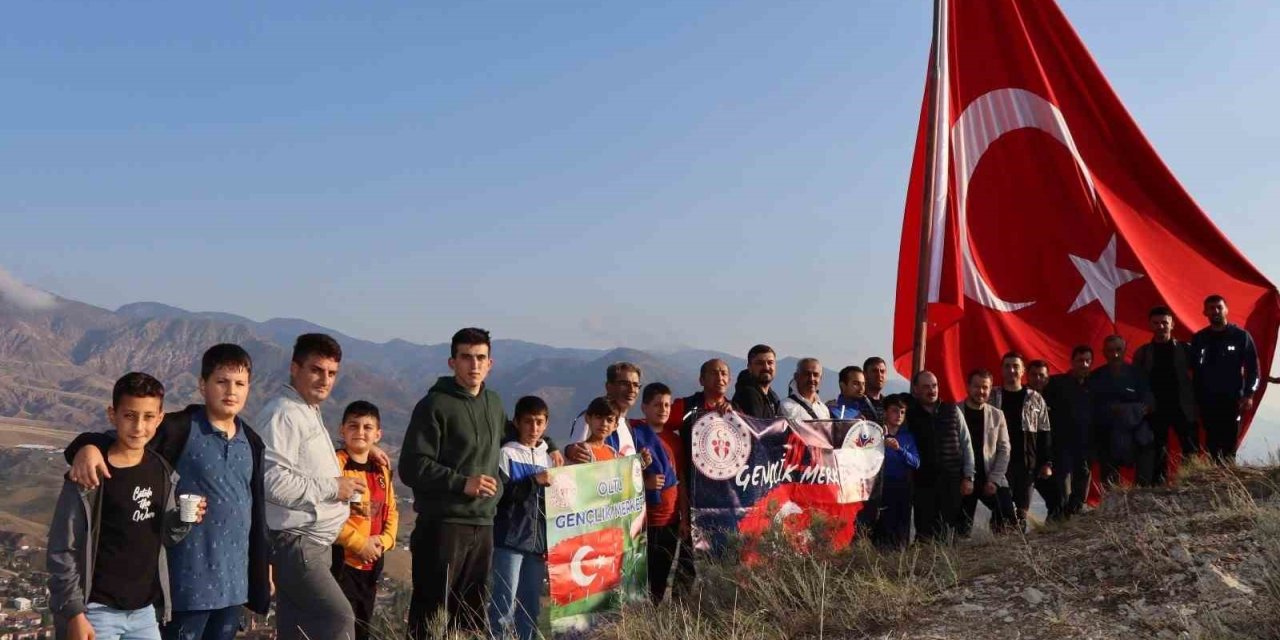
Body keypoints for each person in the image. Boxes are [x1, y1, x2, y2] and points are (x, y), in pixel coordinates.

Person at [64, 344, 272, 640]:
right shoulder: (180, 428)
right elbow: (128, 440)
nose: (231, 391)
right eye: (221, 381)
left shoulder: (251, 442)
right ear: (203, 385)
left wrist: (264, 565)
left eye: (240, 384)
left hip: (234, 587)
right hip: (185, 584)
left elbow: (256, 511)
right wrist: (86, 446)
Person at [48, 372, 204, 640]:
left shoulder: (162, 472)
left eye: (148, 417)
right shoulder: (89, 476)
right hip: (95, 611)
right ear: (113, 415)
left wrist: (184, 520)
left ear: (160, 418)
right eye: (129, 416)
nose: (139, 427)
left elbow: (165, 536)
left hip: (144, 612)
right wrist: (74, 613)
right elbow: (63, 547)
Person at [400, 328, 506, 638]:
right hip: (443, 525)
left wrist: (554, 446)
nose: (474, 365)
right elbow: (411, 466)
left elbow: (512, 439)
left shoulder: (495, 404)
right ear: (452, 362)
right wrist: (462, 483)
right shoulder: (434, 405)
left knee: (471, 616)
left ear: (490, 363)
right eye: (466, 358)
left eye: (480, 358)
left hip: (483, 524)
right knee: (430, 616)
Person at [257, 334, 360, 640]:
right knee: (339, 619)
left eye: (331, 373)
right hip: (297, 543)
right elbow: (271, 480)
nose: (325, 380)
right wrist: (332, 488)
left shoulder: (306, 410)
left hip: (312, 544)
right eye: (316, 370)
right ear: (295, 368)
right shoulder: (284, 413)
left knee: (298, 631)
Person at [662, 359, 736, 597]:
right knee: (687, 563)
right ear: (701, 380)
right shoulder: (686, 406)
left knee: (722, 561)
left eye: (724, 373)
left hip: (724, 501)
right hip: (690, 496)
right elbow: (657, 425)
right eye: (714, 373)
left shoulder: (736, 412)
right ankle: (679, 616)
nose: (720, 377)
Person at [488, 396, 554, 640]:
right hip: (510, 541)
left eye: (539, 422)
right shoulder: (505, 454)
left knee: (530, 606)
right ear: (516, 422)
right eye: (528, 422)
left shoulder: (548, 457)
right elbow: (501, 496)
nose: (533, 428)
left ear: (546, 424)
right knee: (504, 604)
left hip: (537, 544)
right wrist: (533, 482)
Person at [331, 401, 398, 640]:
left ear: (377, 434)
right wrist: (360, 543)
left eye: (368, 427)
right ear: (342, 430)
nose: (360, 432)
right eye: (353, 426)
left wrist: (385, 540)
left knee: (362, 627)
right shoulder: (336, 464)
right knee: (340, 627)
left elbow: (391, 510)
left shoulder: (381, 469)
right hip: (341, 563)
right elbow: (329, 517)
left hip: (372, 564)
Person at [906, 370, 975, 543]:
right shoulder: (909, 415)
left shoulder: (952, 410)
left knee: (952, 533)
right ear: (916, 389)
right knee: (926, 535)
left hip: (952, 483)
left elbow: (966, 445)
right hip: (923, 485)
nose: (932, 390)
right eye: (926, 386)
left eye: (934, 385)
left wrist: (968, 476)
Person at [1191, 294, 1261, 464]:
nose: (1215, 311)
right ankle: (1213, 483)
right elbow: (1193, 369)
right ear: (1204, 312)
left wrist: (1249, 394)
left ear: (1226, 310)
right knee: (1211, 444)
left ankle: (1228, 483)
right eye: (1211, 308)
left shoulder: (1241, 336)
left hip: (1233, 401)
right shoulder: (1200, 338)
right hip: (1207, 400)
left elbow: (1254, 370)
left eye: (1219, 307)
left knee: (1229, 446)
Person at [1133, 305, 1199, 479]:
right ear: (1150, 325)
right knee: (1157, 450)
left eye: (1164, 322)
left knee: (1190, 448)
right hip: (1155, 409)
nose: (1160, 326)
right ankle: (1158, 487)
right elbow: (1136, 383)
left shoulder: (1186, 350)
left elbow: (1202, 375)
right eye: (1156, 323)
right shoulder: (1143, 353)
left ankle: (1189, 483)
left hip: (1183, 406)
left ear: (1172, 324)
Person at [990, 352, 1055, 528]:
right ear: (1002, 370)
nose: (1011, 370)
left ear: (1022, 371)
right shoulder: (992, 396)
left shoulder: (1035, 398)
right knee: (1001, 511)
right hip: (999, 463)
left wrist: (1047, 463)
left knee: (1021, 514)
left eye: (1015, 366)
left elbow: (1044, 432)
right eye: (1007, 366)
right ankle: (997, 546)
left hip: (1027, 465)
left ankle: (1018, 549)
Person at [630, 383, 681, 603]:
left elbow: (682, 480)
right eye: (657, 404)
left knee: (660, 582)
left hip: (670, 520)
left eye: (667, 405)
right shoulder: (633, 435)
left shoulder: (676, 440)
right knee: (639, 581)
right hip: (643, 521)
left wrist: (684, 517)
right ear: (644, 408)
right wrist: (644, 481)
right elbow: (622, 472)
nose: (663, 409)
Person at [1089, 335, 1154, 487]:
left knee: (1147, 452)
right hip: (1108, 434)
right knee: (1110, 486)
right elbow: (1092, 407)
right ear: (1104, 352)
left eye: (1119, 350)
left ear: (1125, 351)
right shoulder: (1096, 377)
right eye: (1111, 351)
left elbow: (1148, 401)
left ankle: (1143, 499)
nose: (1115, 354)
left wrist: (1132, 411)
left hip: (1136, 431)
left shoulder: (1138, 374)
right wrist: (1112, 410)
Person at [958, 369, 1017, 536]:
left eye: (985, 387)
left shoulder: (997, 415)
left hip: (991, 475)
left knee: (1008, 520)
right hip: (963, 478)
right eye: (977, 386)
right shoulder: (955, 412)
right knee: (960, 528)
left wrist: (994, 480)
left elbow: (1004, 450)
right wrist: (963, 478)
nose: (981, 391)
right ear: (968, 387)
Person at [1041, 346, 1095, 516]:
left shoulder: (1094, 384)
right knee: (1063, 485)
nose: (1084, 364)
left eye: (1087, 360)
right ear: (1072, 362)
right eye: (1080, 360)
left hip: (1086, 444)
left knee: (1081, 487)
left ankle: (1075, 516)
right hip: (1062, 443)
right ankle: (1061, 519)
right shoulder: (1057, 383)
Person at [870, 394, 919, 548]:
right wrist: (881, 443)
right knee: (881, 530)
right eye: (895, 411)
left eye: (902, 412)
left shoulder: (908, 437)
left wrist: (900, 450)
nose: (899, 415)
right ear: (885, 412)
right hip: (880, 489)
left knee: (901, 531)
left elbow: (916, 462)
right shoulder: (875, 434)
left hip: (902, 488)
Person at [566, 362, 642, 460]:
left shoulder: (627, 425)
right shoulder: (588, 418)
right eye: (624, 384)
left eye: (636, 385)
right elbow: (577, 459)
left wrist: (640, 463)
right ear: (609, 386)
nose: (631, 389)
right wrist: (569, 450)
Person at [1026, 360, 1066, 520]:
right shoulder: (1021, 398)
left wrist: (1048, 462)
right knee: (1018, 508)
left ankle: (1052, 539)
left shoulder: (1055, 400)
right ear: (1027, 376)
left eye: (1041, 375)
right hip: (1024, 462)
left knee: (1058, 502)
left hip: (1046, 462)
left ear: (1047, 378)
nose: (1037, 379)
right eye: (1033, 375)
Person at [733, 344, 782, 419]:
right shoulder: (748, 395)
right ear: (749, 367)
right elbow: (757, 428)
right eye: (760, 363)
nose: (766, 367)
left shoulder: (772, 396)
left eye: (770, 362)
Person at [574, 397, 621, 462]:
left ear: (615, 426)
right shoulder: (580, 451)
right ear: (588, 419)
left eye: (609, 420)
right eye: (599, 417)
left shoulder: (613, 453)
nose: (604, 424)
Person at [862, 357, 890, 425]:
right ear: (864, 374)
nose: (879, 375)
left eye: (882, 371)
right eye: (874, 371)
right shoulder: (856, 403)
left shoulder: (889, 405)